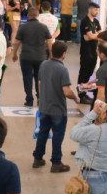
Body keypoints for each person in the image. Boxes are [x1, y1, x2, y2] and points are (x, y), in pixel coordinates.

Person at [33, 41, 80, 173]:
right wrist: (76, 97)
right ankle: (56, 162)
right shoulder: (62, 69)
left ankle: (37, 158)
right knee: (57, 136)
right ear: (64, 54)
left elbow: (40, 83)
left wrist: (43, 98)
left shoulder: (44, 64)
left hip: (44, 106)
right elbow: (67, 91)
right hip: (58, 109)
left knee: (42, 132)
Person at [12, 6, 52, 108]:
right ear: (38, 15)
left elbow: (17, 42)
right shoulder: (43, 27)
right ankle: (40, 98)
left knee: (27, 77)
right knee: (40, 78)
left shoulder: (23, 27)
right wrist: (51, 54)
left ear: (28, 15)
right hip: (41, 57)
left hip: (26, 56)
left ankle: (29, 99)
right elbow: (49, 42)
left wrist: (14, 54)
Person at [77, 2, 102, 101]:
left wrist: (93, 36)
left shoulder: (96, 21)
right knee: (83, 73)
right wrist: (94, 36)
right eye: (95, 10)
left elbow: (99, 34)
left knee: (89, 73)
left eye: (98, 10)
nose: (97, 12)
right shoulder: (85, 21)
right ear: (90, 9)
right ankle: (81, 94)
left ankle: (84, 91)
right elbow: (88, 37)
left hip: (94, 51)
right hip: (86, 52)